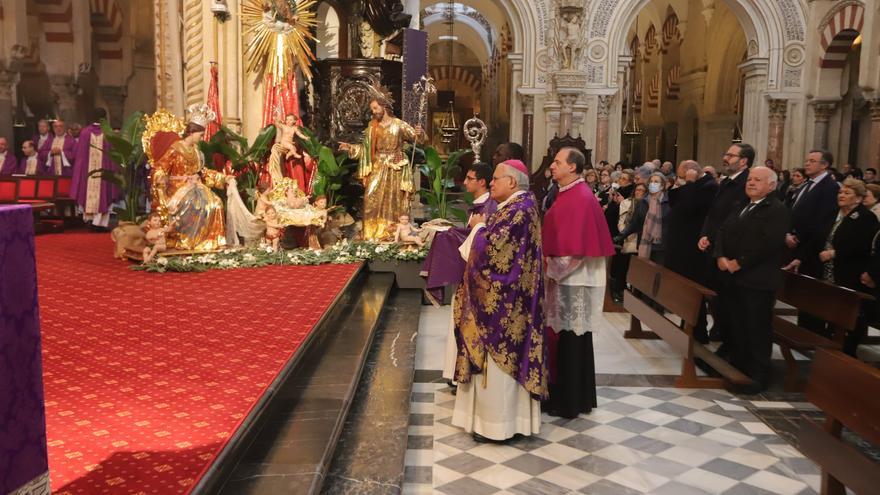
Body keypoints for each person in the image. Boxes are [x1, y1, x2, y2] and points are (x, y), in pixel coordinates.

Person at [451, 159, 547, 443]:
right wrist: (483, 226)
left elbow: (494, 254)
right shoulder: (517, 207)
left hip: (507, 304)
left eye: (495, 179)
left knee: (500, 363)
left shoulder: (519, 211)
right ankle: (493, 422)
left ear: (512, 182)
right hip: (512, 299)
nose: (490, 183)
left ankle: (498, 426)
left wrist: (480, 228)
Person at [542, 147, 615, 418]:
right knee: (571, 340)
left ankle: (570, 402)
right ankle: (575, 398)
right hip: (569, 280)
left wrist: (549, 268)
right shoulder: (568, 193)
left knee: (573, 340)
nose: (552, 166)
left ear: (572, 167)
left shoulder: (580, 197)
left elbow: (576, 250)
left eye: (557, 162)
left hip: (575, 280)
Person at [713, 166, 789, 394]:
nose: (751, 183)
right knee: (737, 325)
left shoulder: (776, 209)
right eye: (750, 179)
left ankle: (758, 374)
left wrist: (740, 262)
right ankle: (738, 367)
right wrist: (720, 256)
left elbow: (768, 243)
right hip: (733, 278)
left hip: (757, 280)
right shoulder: (742, 205)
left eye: (758, 180)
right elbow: (722, 231)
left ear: (772, 185)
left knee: (756, 328)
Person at [803, 179, 877, 355]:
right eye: (840, 192)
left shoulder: (866, 218)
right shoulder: (833, 214)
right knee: (828, 308)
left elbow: (863, 245)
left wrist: (835, 253)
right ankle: (827, 342)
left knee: (848, 312)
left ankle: (847, 349)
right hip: (826, 271)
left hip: (849, 271)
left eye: (847, 193)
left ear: (859, 199)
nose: (841, 195)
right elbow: (817, 237)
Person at [339, 96, 424, 241]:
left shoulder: (398, 124)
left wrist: (419, 133)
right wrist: (350, 148)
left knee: (394, 199)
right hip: (378, 165)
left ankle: (392, 233)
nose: (374, 112)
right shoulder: (373, 127)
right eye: (372, 109)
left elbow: (417, 139)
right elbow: (365, 149)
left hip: (395, 167)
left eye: (375, 108)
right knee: (370, 197)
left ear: (384, 106)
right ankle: (372, 233)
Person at [151, 104, 234, 250]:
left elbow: (203, 172)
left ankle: (211, 242)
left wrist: (222, 178)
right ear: (193, 132)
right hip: (178, 188)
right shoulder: (175, 149)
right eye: (201, 135)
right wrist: (160, 178)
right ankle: (187, 240)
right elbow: (160, 168)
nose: (202, 138)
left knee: (216, 203)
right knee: (197, 205)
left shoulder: (196, 152)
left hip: (196, 186)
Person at [698, 143, 752, 344]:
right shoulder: (727, 181)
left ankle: (726, 336)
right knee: (715, 295)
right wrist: (704, 234)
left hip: (728, 251)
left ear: (744, 161)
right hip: (714, 247)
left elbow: (733, 219)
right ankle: (720, 330)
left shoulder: (744, 184)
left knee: (727, 299)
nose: (725, 158)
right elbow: (713, 213)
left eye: (730, 155)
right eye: (726, 153)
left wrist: (717, 244)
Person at [422, 162, 498, 305]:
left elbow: (479, 238)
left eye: (470, 179)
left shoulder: (489, 207)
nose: (464, 182)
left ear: (482, 182)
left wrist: (448, 234)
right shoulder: (480, 204)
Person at [783, 149, 840, 279]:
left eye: (812, 161)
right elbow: (793, 211)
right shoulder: (805, 185)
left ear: (824, 165)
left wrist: (801, 254)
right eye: (806, 161)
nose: (807, 164)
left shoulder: (830, 187)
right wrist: (787, 234)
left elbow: (822, 225)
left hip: (807, 251)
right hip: (790, 245)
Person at [665, 160, 718, 284]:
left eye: (681, 177)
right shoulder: (693, 185)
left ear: (691, 172)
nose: (680, 179)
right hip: (679, 240)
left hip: (691, 242)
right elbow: (674, 203)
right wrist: (678, 185)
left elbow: (689, 208)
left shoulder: (710, 186)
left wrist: (689, 183)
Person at [71, 108, 120, 228]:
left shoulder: (85, 133)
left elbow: (80, 156)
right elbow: (113, 156)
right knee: (104, 193)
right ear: (104, 118)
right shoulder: (108, 132)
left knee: (88, 192)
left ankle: (90, 222)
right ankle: (100, 224)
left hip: (88, 173)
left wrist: (80, 171)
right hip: (104, 173)